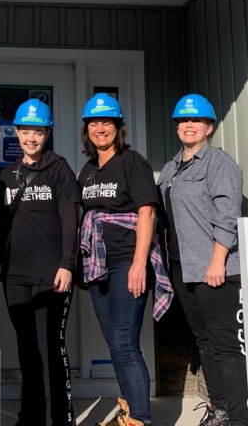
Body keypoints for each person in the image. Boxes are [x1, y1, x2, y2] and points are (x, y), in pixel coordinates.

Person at [76, 94, 173, 426]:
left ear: (119, 127)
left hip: (125, 262)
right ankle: (131, 409)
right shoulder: (87, 171)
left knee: (124, 342)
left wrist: (137, 263)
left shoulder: (133, 162)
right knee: (115, 343)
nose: (100, 128)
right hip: (98, 267)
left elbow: (146, 212)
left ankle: (141, 419)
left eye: (107, 122)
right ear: (86, 129)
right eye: (94, 123)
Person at [156, 94, 247, 426]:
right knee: (204, 343)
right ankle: (219, 410)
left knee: (224, 346)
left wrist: (217, 260)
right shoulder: (170, 168)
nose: (188, 125)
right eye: (182, 121)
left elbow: (228, 215)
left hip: (214, 268)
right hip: (182, 268)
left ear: (209, 126)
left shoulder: (219, 163)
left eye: (195, 120)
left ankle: (238, 418)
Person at [0, 98, 80, 426]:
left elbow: (70, 217)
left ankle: (62, 418)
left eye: (38, 131)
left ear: (48, 134)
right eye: (26, 130)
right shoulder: (7, 173)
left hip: (51, 273)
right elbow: (1, 224)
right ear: (16, 132)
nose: (31, 138)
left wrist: (66, 264)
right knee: (27, 351)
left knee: (51, 351)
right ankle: (31, 417)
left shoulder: (59, 168)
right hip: (15, 275)